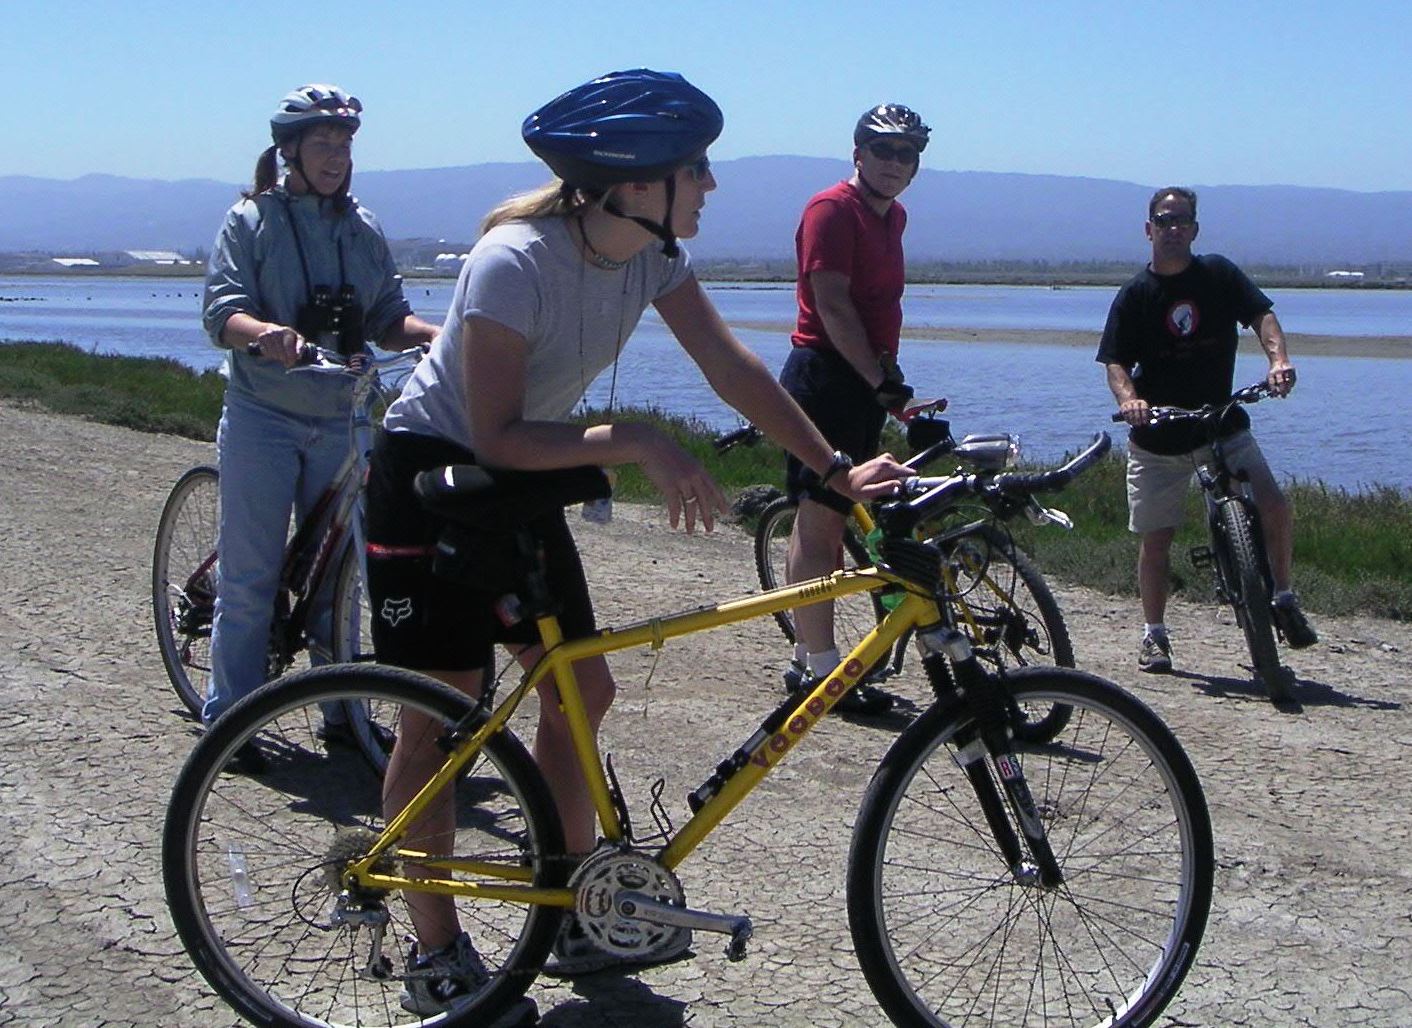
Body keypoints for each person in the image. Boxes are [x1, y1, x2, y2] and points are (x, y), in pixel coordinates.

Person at [362, 69, 909, 1013]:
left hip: (518, 478)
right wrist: (642, 442)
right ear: (633, 181)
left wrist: (831, 470)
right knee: (441, 718)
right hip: (430, 476)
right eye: (696, 168)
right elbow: (491, 432)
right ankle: (434, 951)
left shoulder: (652, 258)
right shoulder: (513, 262)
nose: (710, 185)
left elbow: (731, 367)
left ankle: (573, 905)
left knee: (582, 688)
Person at [200, 84, 439, 762]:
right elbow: (221, 314)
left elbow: (388, 315)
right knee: (252, 576)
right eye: (322, 144)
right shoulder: (249, 221)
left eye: (344, 144)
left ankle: (341, 714)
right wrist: (266, 333)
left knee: (343, 577)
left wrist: (432, 333)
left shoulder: (360, 226)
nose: (335, 156)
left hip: (343, 417)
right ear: (290, 150)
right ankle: (231, 723)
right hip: (264, 415)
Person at [1097, 186, 1317, 673]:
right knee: (1157, 539)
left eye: (1182, 221)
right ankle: (1154, 635)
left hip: (1220, 421)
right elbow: (1114, 360)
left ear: (1194, 229)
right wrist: (1130, 400)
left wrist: (1279, 361)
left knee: (1274, 503)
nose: (1173, 229)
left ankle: (1283, 596)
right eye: (1164, 220)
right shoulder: (1135, 295)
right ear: (1148, 229)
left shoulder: (1217, 274)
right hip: (1158, 435)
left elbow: (1261, 315)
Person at [779, 103, 930, 714]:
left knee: (833, 518)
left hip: (863, 377)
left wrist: (889, 383)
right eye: (884, 150)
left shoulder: (893, 217)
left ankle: (810, 657)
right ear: (858, 152)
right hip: (824, 377)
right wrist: (879, 381)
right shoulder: (830, 210)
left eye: (907, 154)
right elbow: (834, 306)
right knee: (823, 526)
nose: (895, 164)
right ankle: (820, 673)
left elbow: (877, 309)